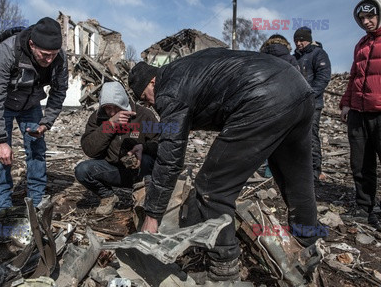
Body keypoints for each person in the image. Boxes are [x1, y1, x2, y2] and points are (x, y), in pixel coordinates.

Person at [129, 48, 318, 282]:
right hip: (299, 89)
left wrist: (152, 216)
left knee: (211, 189)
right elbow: (172, 135)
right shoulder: (186, 69)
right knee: (296, 180)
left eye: (143, 96)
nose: (146, 102)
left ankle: (223, 269)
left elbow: (170, 159)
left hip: (262, 97)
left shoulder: (168, 89)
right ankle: (307, 247)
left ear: (152, 81)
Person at [0, 17, 68, 213]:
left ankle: (36, 200)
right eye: (45, 55)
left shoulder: (59, 59)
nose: (49, 60)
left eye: (53, 55)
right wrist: (1, 140)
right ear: (32, 44)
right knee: (0, 156)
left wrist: (46, 123)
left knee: (37, 149)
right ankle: (2, 205)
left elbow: (59, 92)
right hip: (3, 104)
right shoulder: (6, 52)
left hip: (31, 105)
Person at [75, 81, 159, 215]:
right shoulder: (98, 118)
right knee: (82, 170)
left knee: (148, 160)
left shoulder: (143, 116)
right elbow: (90, 150)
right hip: (113, 170)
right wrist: (110, 125)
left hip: (142, 172)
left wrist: (143, 147)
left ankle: (145, 201)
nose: (112, 112)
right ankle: (108, 197)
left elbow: (159, 142)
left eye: (116, 107)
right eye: (108, 108)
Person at [340, 0, 381, 230]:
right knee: (361, 164)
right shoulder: (361, 44)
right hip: (358, 112)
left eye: (370, 16)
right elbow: (354, 76)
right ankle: (363, 209)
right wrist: (346, 103)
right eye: (362, 18)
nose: (366, 22)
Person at [294, 26, 331, 182]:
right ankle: (297, 168)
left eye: (301, 40)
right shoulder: (295, 57)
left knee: (311, 135)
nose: (298, 43)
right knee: (296, 135)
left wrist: (308, 95)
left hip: (313, 103)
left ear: (308, 40)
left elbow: (323, 77)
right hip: (296, 103)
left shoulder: (318, 54)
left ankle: (315, 170)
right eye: (296, 40)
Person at [259, 34, 300, 178]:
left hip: (264, 103)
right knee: (283, 138)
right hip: (285, 102)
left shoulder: (261, 58)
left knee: (265, 137)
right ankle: (281, 172)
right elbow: (298, 80)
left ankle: (267, 171)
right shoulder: (290, 58)